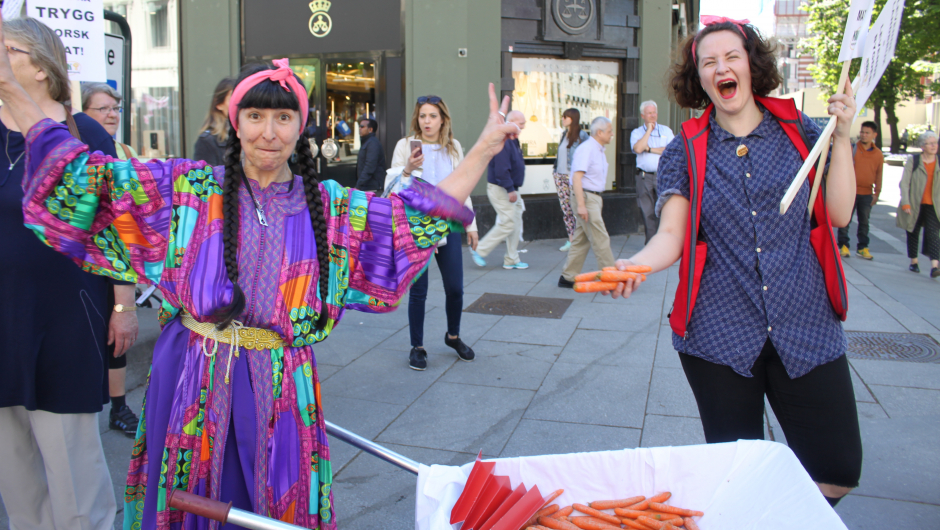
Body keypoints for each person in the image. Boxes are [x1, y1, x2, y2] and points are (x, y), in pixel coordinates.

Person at [2, 26, 520, 527]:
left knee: (274, 508)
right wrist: (11, 89)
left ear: (301, 125)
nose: (268, 132)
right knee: (188, 506)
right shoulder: (188, 190)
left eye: (283, 117)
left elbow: (412, 220)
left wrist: (484, 148)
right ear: (235, 120)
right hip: (190, 378)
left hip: (279, 387)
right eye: (254, 116)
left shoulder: (333, 210)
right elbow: (84, 180)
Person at [604, 17, 862, 507]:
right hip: (719, 334)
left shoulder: (803, 132)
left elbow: (841, 212)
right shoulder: (685, 148)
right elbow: (673, 234)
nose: (722, 67)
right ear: (699, 78)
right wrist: (636, 264)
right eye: (709, 62)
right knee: (736, 476)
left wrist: (843, 136)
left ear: (751, 65)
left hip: (806, 325)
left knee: (837, 472)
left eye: (732, 57)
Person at [0, 17, 121, 530]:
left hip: (67, 315)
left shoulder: (83, 132)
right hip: (5, 315)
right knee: (15, 473)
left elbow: (117, 226)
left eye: (8, 50)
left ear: (43, 67)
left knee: (72, 467)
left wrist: (121, 304)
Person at [386, 95, 480, 370]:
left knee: (455, 288)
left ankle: (453, 336)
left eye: (433, 116)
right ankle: (418, 347)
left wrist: (471, 225)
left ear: (442, 119)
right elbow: (391, 186)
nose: (427, 121)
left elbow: (463, 186)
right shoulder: (405, 145)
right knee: (419, 291)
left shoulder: (453, 147)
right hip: (416, 228)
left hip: (447, 224)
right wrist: (407, 169)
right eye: (423, 116)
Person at [81, 81, 143, 436]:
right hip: (92, 253)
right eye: (102, 109)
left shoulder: (125, 150)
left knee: (116, 328)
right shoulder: (79, 145)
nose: (111, 115)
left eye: (115, 109)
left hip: (120, 251)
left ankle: (119, 407)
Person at [557, 117, 616, 288]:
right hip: (586, 198)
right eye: (610, 131)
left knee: (581, 240)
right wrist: (582, 205)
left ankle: (568, 276)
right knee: (601, 238)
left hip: (592, 198)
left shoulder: (597, 149)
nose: (612, 134)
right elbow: (576, 177)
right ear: (600, 132)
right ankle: (611, 277)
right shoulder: (587, 149)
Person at [471, 110, 528, 269]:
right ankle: (480, 250)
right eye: (521, 123)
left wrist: (513, 189)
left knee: (515, 223)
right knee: (508, 222)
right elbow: (501, 170)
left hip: (511, 188)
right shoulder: (504, 141)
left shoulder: (512, 139)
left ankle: (511, 259)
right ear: (511, 123)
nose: (523, 127)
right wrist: (510, 189)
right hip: (502, 189)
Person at [630, 100, 675, 243]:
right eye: (649, 113)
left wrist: (649, 149)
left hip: (663, 176)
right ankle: (651, 244)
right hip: (644, 177)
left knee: (664, 210)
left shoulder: (666, 131)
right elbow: (638, 148)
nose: (653, 115)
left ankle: (664, 242)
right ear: (642, 115)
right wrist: (649, 130)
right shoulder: (637, 132)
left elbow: (671, 150)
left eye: (654, 112)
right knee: (647, 211)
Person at [838, 121, 883, 260]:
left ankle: (862, 247)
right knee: (845, 220)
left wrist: (877, 193)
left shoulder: (878, 154)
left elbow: (879, 174)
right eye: (862, 132)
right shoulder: (852, 149)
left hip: (867, 193)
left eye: (867, 133)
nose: (863, 135)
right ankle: (843, 245)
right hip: (850, 191)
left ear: (874, 135)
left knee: (864, 222)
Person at [897, 131, 939, 277]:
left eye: (935, 143)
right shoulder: (914, 161)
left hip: (934, 205)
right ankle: (914, 262)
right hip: (915, 203)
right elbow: (904, 183)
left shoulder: (938, 162)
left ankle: (935, 266)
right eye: (930, 143)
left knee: (934, 233)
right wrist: (906, 203)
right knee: (912, 231)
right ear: (923, 146)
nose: (934, 146)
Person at [553, 108, 590, 251]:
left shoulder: (582, 135)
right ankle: (571, 240)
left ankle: (582, 240)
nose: (562, 119)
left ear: (572, 118)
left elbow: (588, 154)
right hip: (560, 176)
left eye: (565, 117)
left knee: (577, 207)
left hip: (573, 177)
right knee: (566, 209)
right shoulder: (563, 134)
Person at [82, 82, 137, 159]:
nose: (113, 115)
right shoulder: (72, 151)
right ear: (81, 113)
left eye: (116, 108)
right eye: (103, 108)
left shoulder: (127, 152)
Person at [193, 76, 236, 166]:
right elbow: (204, 178)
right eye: (233, 98)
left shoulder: (250, 137)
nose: (238, 104)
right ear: (219, 104)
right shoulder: (207, 142)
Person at [355, 117, 385, 191]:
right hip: (366, 186)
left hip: (372, 187)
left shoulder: (372, 143)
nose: (359, 128)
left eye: (362, 127)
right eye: (359, 126)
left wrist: (358, 186)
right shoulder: (367, 142)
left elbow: (369, 167)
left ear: (370, 130)